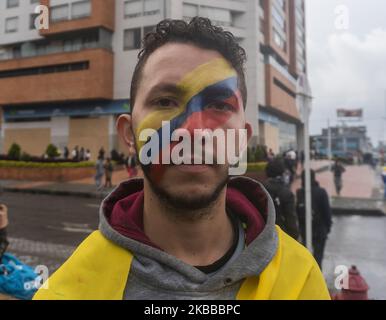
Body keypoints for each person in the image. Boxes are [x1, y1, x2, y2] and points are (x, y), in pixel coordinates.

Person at [34, 17, 330, 300]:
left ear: (242, 137)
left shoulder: (301, 279)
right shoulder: (68, 291)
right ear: (129, 134)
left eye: (218, 104)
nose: (194, 130)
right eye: (165, 102)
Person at [296, 170, 332, 269]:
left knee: (305, 258)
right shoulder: (321, 192)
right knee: (318, 258)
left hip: (305, 231)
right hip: (320, 231)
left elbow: (297, 213)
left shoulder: (300, 192)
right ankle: (317, 279)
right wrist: (328, 228)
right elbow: (327, 213)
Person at [263, 159, 299, 240]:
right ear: (282, 173)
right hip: (280, 238)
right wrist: (294, 239)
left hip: (260, 236)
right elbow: (291, 220)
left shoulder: (259, 189)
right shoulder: (286, 193)